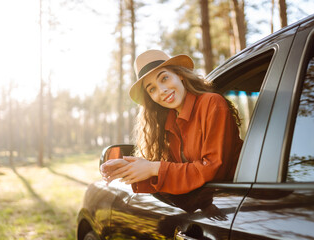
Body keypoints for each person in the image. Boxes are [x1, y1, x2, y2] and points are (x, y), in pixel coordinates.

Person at [100, 49, 243, 195]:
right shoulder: (167, 124)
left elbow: (214, 170)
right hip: (202, 205)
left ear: (179, 74)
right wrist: (130, 169)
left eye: (164, 78)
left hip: (237, 202)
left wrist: (153, 168)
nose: (161, 90)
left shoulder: (211, 103)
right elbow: (174, 178)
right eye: (152, 89)